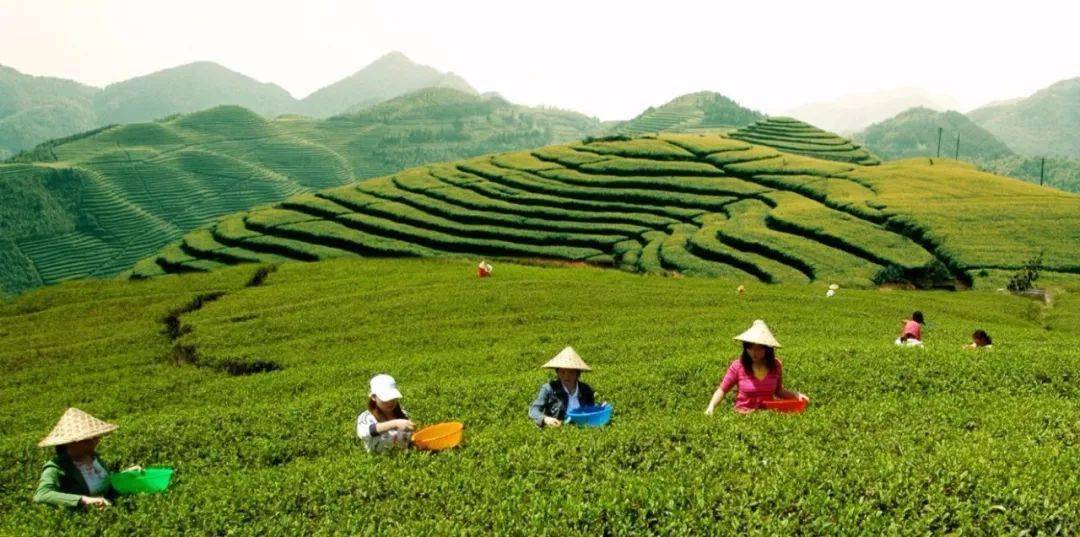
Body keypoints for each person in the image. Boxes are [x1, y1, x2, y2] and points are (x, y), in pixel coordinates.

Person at [34, 408, 138, 509]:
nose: (97, 441)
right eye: (90, 439)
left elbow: (104, 481)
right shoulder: (56, 466)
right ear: (73, 442)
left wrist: (125, 475)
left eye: (96, 437)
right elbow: (42, 494)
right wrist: (84, 500)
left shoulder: (93, 457)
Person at [705, 320, 808, 415]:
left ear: (767, 349)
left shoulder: (776, 365)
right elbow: (722, 390)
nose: (754, 353)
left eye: (759, 349)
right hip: (742, 415)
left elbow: (779, 391)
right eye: (750, 348)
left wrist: (797, 395)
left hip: (768, 416)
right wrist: (711, 407)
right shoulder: (738, 366)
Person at [529, 346, 596, 428]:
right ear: (557, 372)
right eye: (562, 372)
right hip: (558, 430)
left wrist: (600, 408)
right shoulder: (549, 389)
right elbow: (534, 410)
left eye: (571, 372)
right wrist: (546, 419)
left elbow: (591, 410)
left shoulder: (586, 389)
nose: (566, 376)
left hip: (584, 429)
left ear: (577, 373)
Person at [356, 374, 415, 452]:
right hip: (378, 460)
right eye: (386, 399)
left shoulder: (403, 414)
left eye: (393, 399)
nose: (390, 402)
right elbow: (364, 433)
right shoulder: (366, 417)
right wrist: (394, 424)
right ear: (374, 397)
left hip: (404, 457)